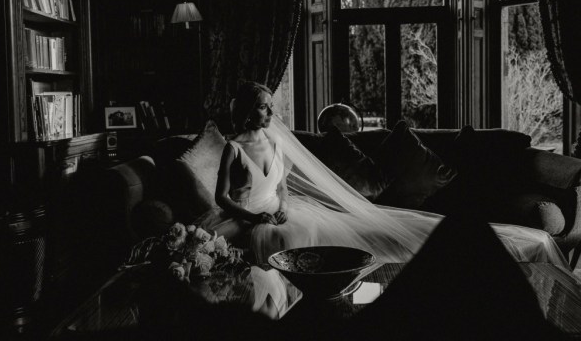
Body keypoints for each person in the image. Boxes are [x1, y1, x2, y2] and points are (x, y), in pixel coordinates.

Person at [208, 81, 567, 268]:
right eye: (262, 107)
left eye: (272, 106)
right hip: (245, 218)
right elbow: (221, 197)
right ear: (246, 110)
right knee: (290, 240)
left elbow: (283, 185)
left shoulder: (275, 141)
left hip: (280, 211)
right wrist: (255, 216)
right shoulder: (233, 146)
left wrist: (283, 204)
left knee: (322, 232)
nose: (271, 113)